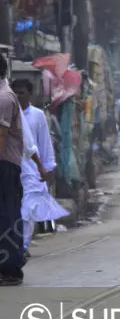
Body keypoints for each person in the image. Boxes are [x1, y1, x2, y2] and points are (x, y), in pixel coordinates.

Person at [12, 80, 66, 256]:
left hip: (32, 170)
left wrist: (48, 167)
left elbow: (44, 143)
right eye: (16, 93)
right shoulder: (9, 112)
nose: (18, 96)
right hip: (12, 166)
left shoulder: (37, 116)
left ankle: (24, 245)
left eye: (22, 93)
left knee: (27, 209)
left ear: (30, 94)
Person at [0, 53, 27, 286]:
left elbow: (1, 137)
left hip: (5, 164)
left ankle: (11, 268)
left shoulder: (4, 98)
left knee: (7, 216)